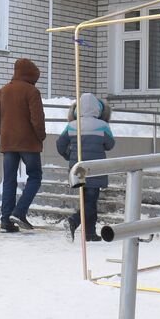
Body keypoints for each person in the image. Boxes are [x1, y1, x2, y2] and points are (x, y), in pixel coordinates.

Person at [0, 58, 47, 232]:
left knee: (9, 181)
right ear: (30, 75)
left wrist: (6, 133)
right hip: (28, 144)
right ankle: (19, 212)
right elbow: (37, 119)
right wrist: (40, 136)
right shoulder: (32, 92)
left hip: (8, 144)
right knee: (35, 177)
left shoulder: (3, 91)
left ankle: (6, 222)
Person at [57, 93, 117, 242]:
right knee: (91, 201)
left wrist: (68, 156)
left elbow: (60, 145)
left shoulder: (72, 125)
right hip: (94, 168)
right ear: (97, 108)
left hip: (78, 168)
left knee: (86, 200)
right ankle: (73, 221)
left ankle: (90, 232)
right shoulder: (103, 125)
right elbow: (110, 145)